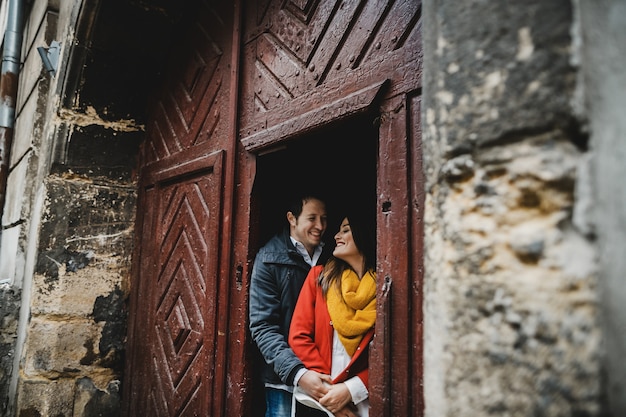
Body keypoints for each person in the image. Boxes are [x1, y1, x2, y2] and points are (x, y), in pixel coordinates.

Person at [249, 194, 335, 417]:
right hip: (285, 380)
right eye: (312, 218)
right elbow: (263, 327)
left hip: (329, 377)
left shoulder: (333, 255)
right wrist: (298, 373)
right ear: (292, 218)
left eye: (324, 218)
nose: (320, 226)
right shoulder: (268, 258)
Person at [289, 208, 376, 417]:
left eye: (345, 230)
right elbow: (298, 336)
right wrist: (329, 392)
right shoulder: (320, 277)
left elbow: (393, 353)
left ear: (362, 233)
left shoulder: (384, 286)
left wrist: (351, 390)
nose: (336, 236)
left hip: (365, 403)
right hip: (316, 401)